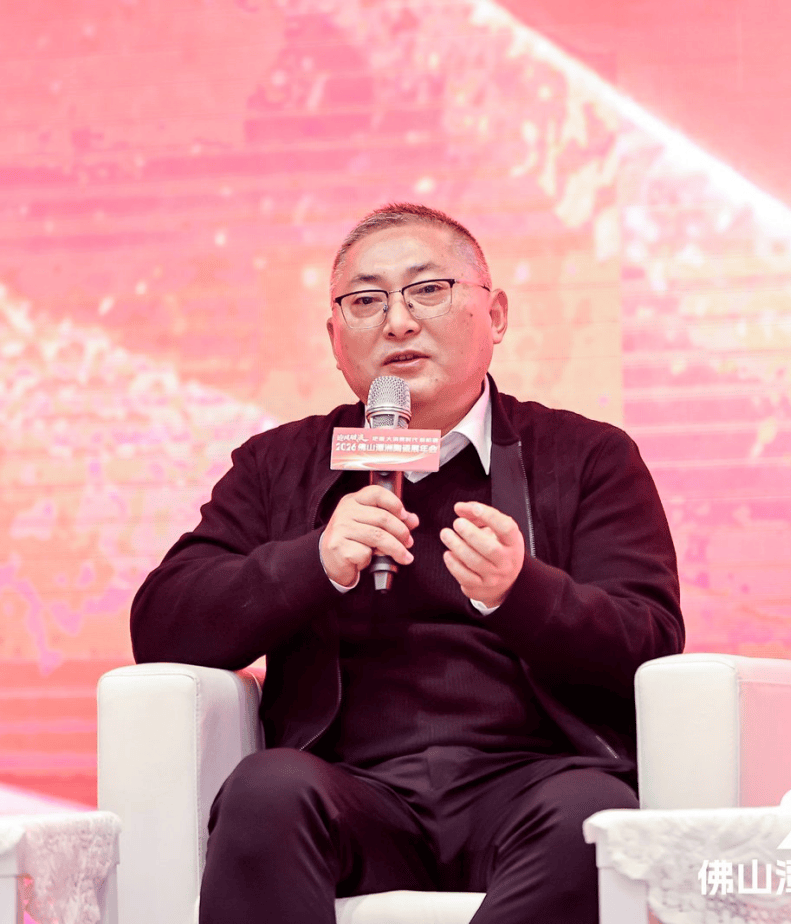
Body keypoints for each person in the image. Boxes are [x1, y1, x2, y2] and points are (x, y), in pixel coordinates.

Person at [131, 203, 684, 924]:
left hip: (533, 786)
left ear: (496, 315)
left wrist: (522, 593)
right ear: (335, 339)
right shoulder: (277, 465)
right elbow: (162, 625)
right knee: (267, 790)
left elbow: (649, 642)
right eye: (366, 301)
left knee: (593, 817)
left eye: (428, 290)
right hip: (354, 796)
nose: (397, 322)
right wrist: (311, 563)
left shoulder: (587, 457)